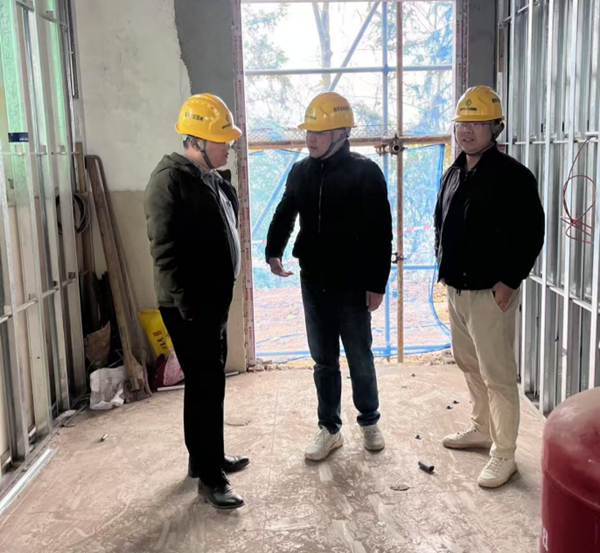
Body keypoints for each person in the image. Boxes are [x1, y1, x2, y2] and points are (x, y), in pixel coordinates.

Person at [266, 92, 393, 462]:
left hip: (353, 284)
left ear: (341, 133)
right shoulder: (301, 171)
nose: (311, 139)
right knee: (323, 360)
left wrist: (377, 283)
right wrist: (273, 251)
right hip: (313, 281)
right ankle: (329, 428)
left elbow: (380, 232)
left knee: (359, 356)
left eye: (319, 132)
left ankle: (369, 421)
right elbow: (285, 212)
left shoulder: (365, 172)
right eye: (309, 132)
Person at [434, 86, 544, 488]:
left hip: (490, 292)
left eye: (477, 123)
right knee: (468, 362)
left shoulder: (513, 176)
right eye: (462, 123)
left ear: (495, 128)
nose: (466, 131)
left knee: (497, 374)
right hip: (457, 289)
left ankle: (504, 453)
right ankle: (482, 428)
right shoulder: (454, 172)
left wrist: (509, 280)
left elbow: (532, 232)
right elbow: (441, 222)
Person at [144, 93, 249, 509]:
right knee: (205, 387)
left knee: (209, 385)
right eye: (222, 139)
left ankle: (205, 457)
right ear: (198, 141)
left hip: (212, 302)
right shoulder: (168, 181)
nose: (229, 146)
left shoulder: (211, 179)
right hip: (188, 307)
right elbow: (164, 251)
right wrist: (189, 307)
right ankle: (210, 479)